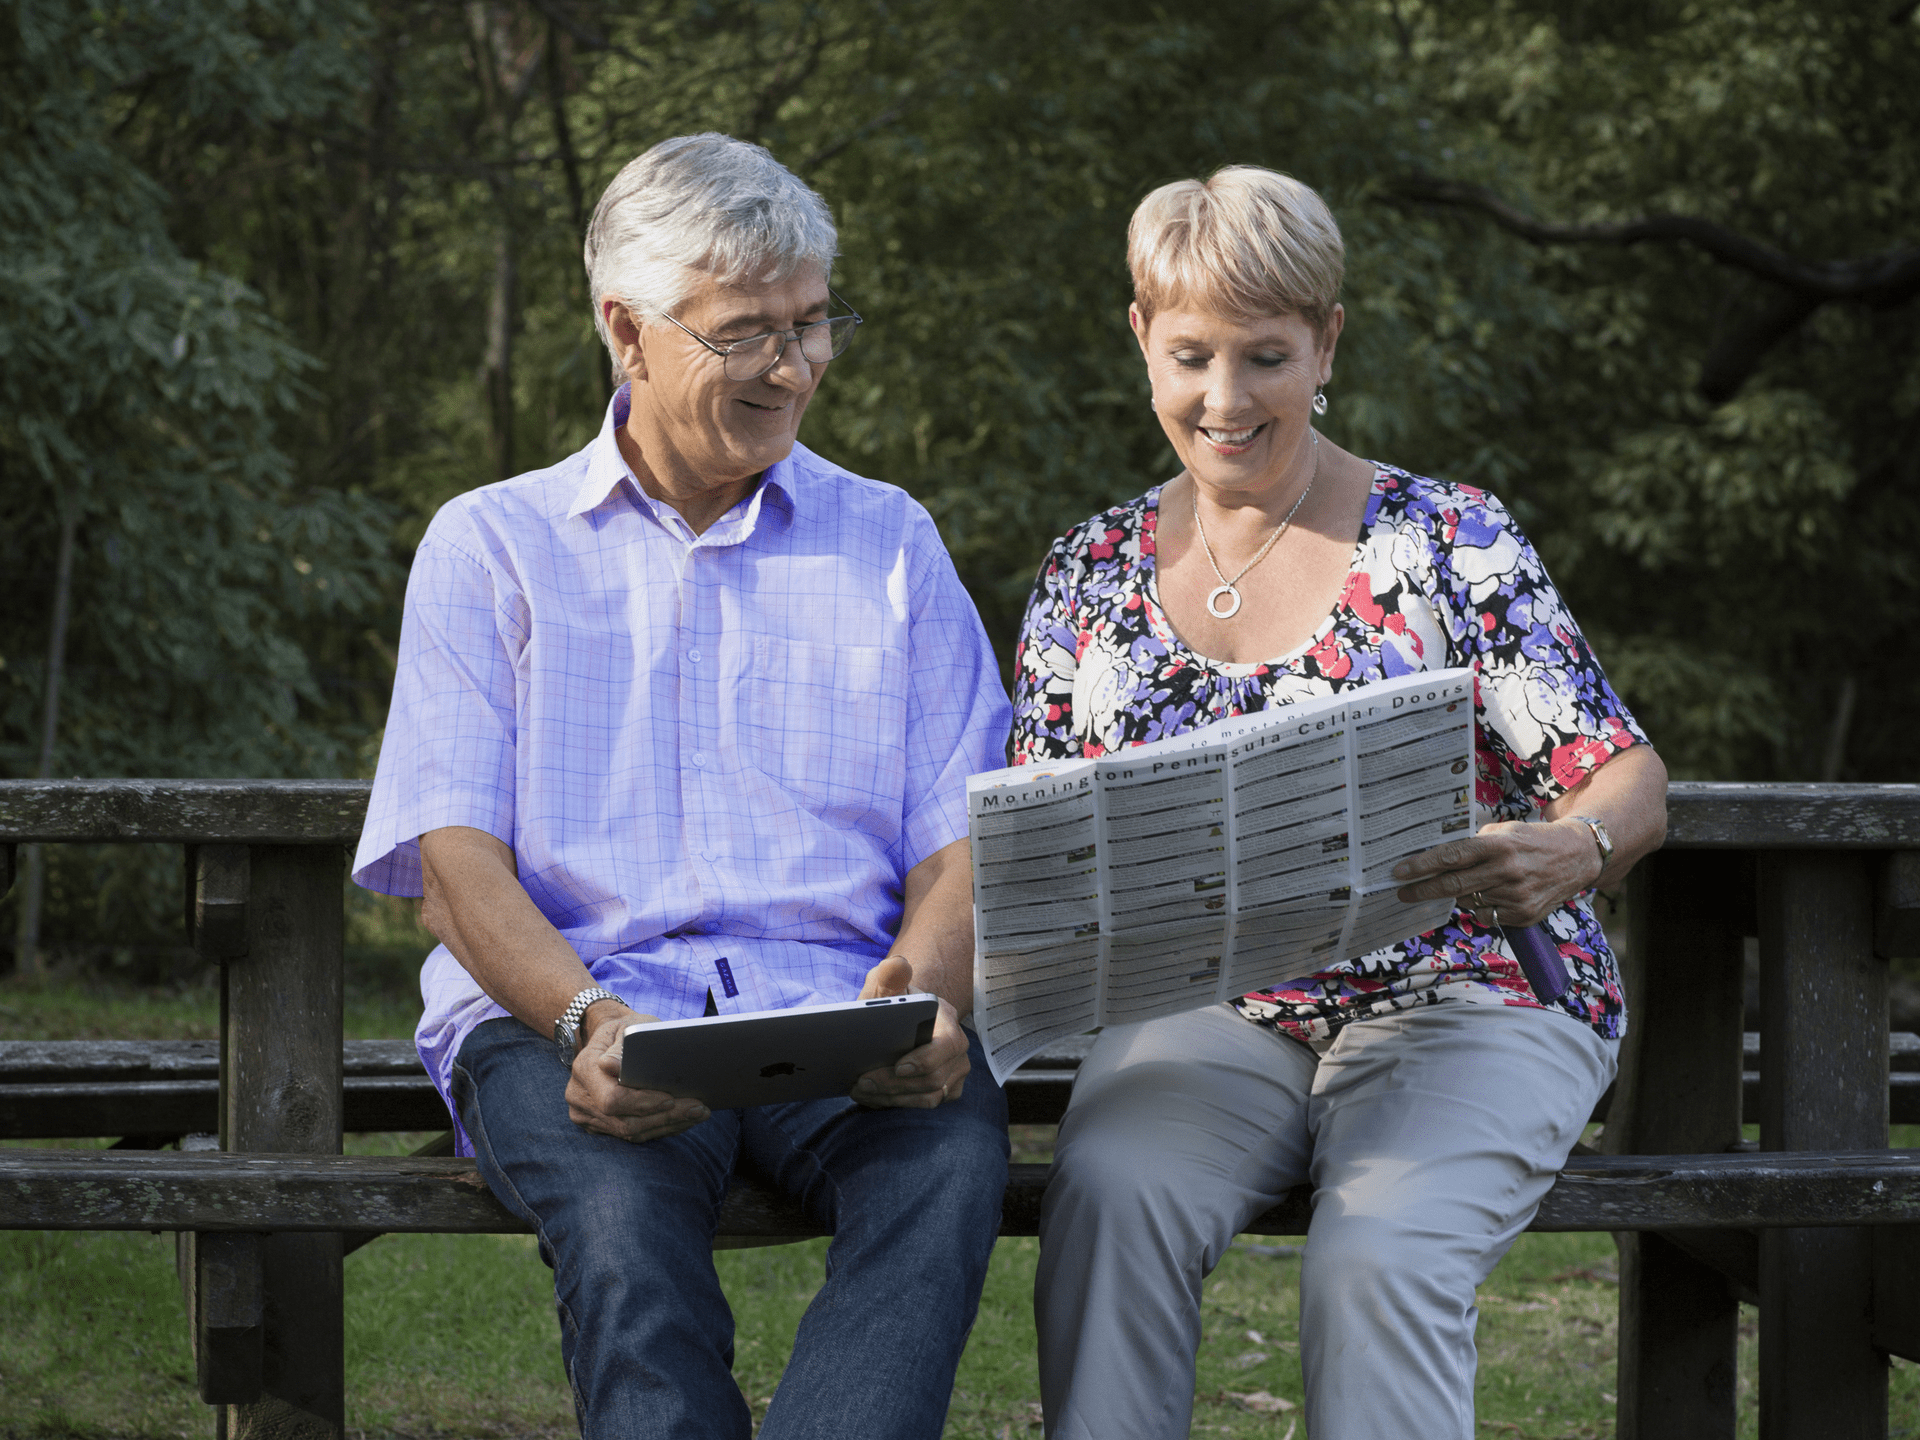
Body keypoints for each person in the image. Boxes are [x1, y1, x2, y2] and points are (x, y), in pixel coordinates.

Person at [352, 132, 1012, 1440]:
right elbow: (455, 863)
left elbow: (963, 836)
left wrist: (931, 994)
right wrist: (582, 1021)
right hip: (585, 1009)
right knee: (622, 1229)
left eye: (817, 323)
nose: (794, 365)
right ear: (628, 332)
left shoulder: (890, 540)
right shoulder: (494, 546)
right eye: (745, 333)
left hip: (840, 1011)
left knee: (945, 1169)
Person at [1014, 166, 1669, 1440]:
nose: (1225, 399)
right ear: (1140, 337)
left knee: (1374, 1261)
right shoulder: (1088, 573)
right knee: (1105, 1198)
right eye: (1192, 354)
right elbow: (1047, 836)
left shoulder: (1448, 538)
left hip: (1470, 995)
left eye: (1266, 356)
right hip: (1213, 1004)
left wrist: (1574, 847)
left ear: (1327, 345)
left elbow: (1627, 776)